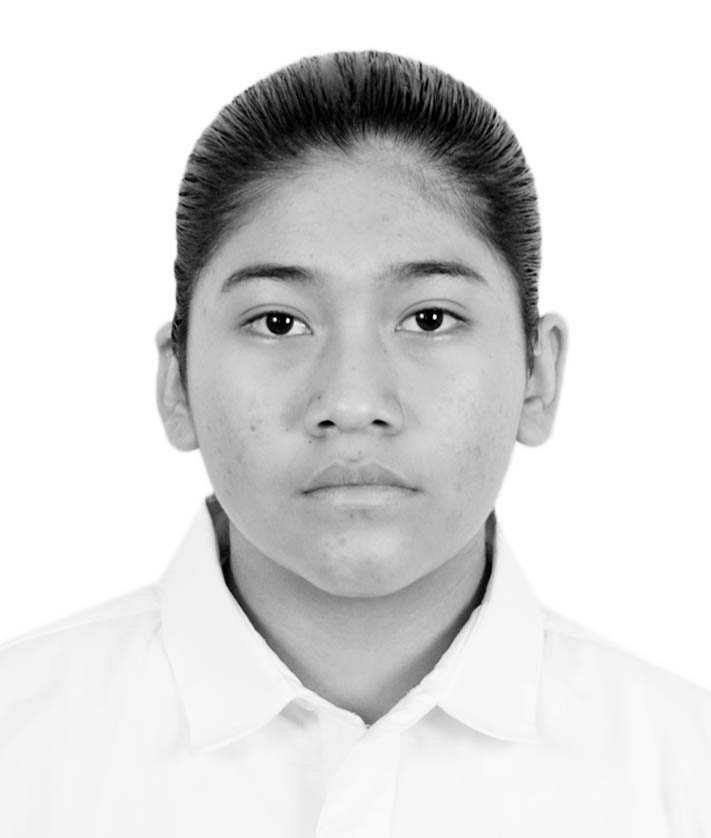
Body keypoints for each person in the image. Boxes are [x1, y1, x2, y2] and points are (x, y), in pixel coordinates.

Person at [1, 49, 709, 837]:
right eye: (278, 322)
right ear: (178, 382)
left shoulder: (686, 777)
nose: (351, 401)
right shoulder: (19, 751)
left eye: (429, 318)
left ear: (537, 375)